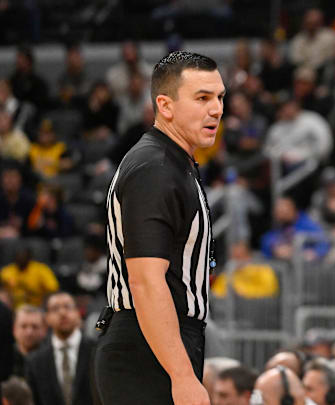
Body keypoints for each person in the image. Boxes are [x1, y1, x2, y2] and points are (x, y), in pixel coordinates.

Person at [93, 51, 225, 405]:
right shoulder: (155, 167)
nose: (216, 109)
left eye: (219, 97)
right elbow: (146, 281)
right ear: (165, 106)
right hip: (145, 348)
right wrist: (182, 376)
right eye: (202, 98)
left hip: (156, 341)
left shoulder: (173, 161)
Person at [25, 292, 96, 405]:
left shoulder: (97, 351)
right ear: (46, 318)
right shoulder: (35, 361)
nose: (62, 313)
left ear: (78, 313)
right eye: (55, 309)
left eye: (67, 307)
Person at [11, 305, 47, 377]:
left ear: (44, 330)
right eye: (23, 326)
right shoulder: (5, 357)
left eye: (35, 327)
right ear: (14, 329)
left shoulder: (52, 359)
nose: (29, 332)